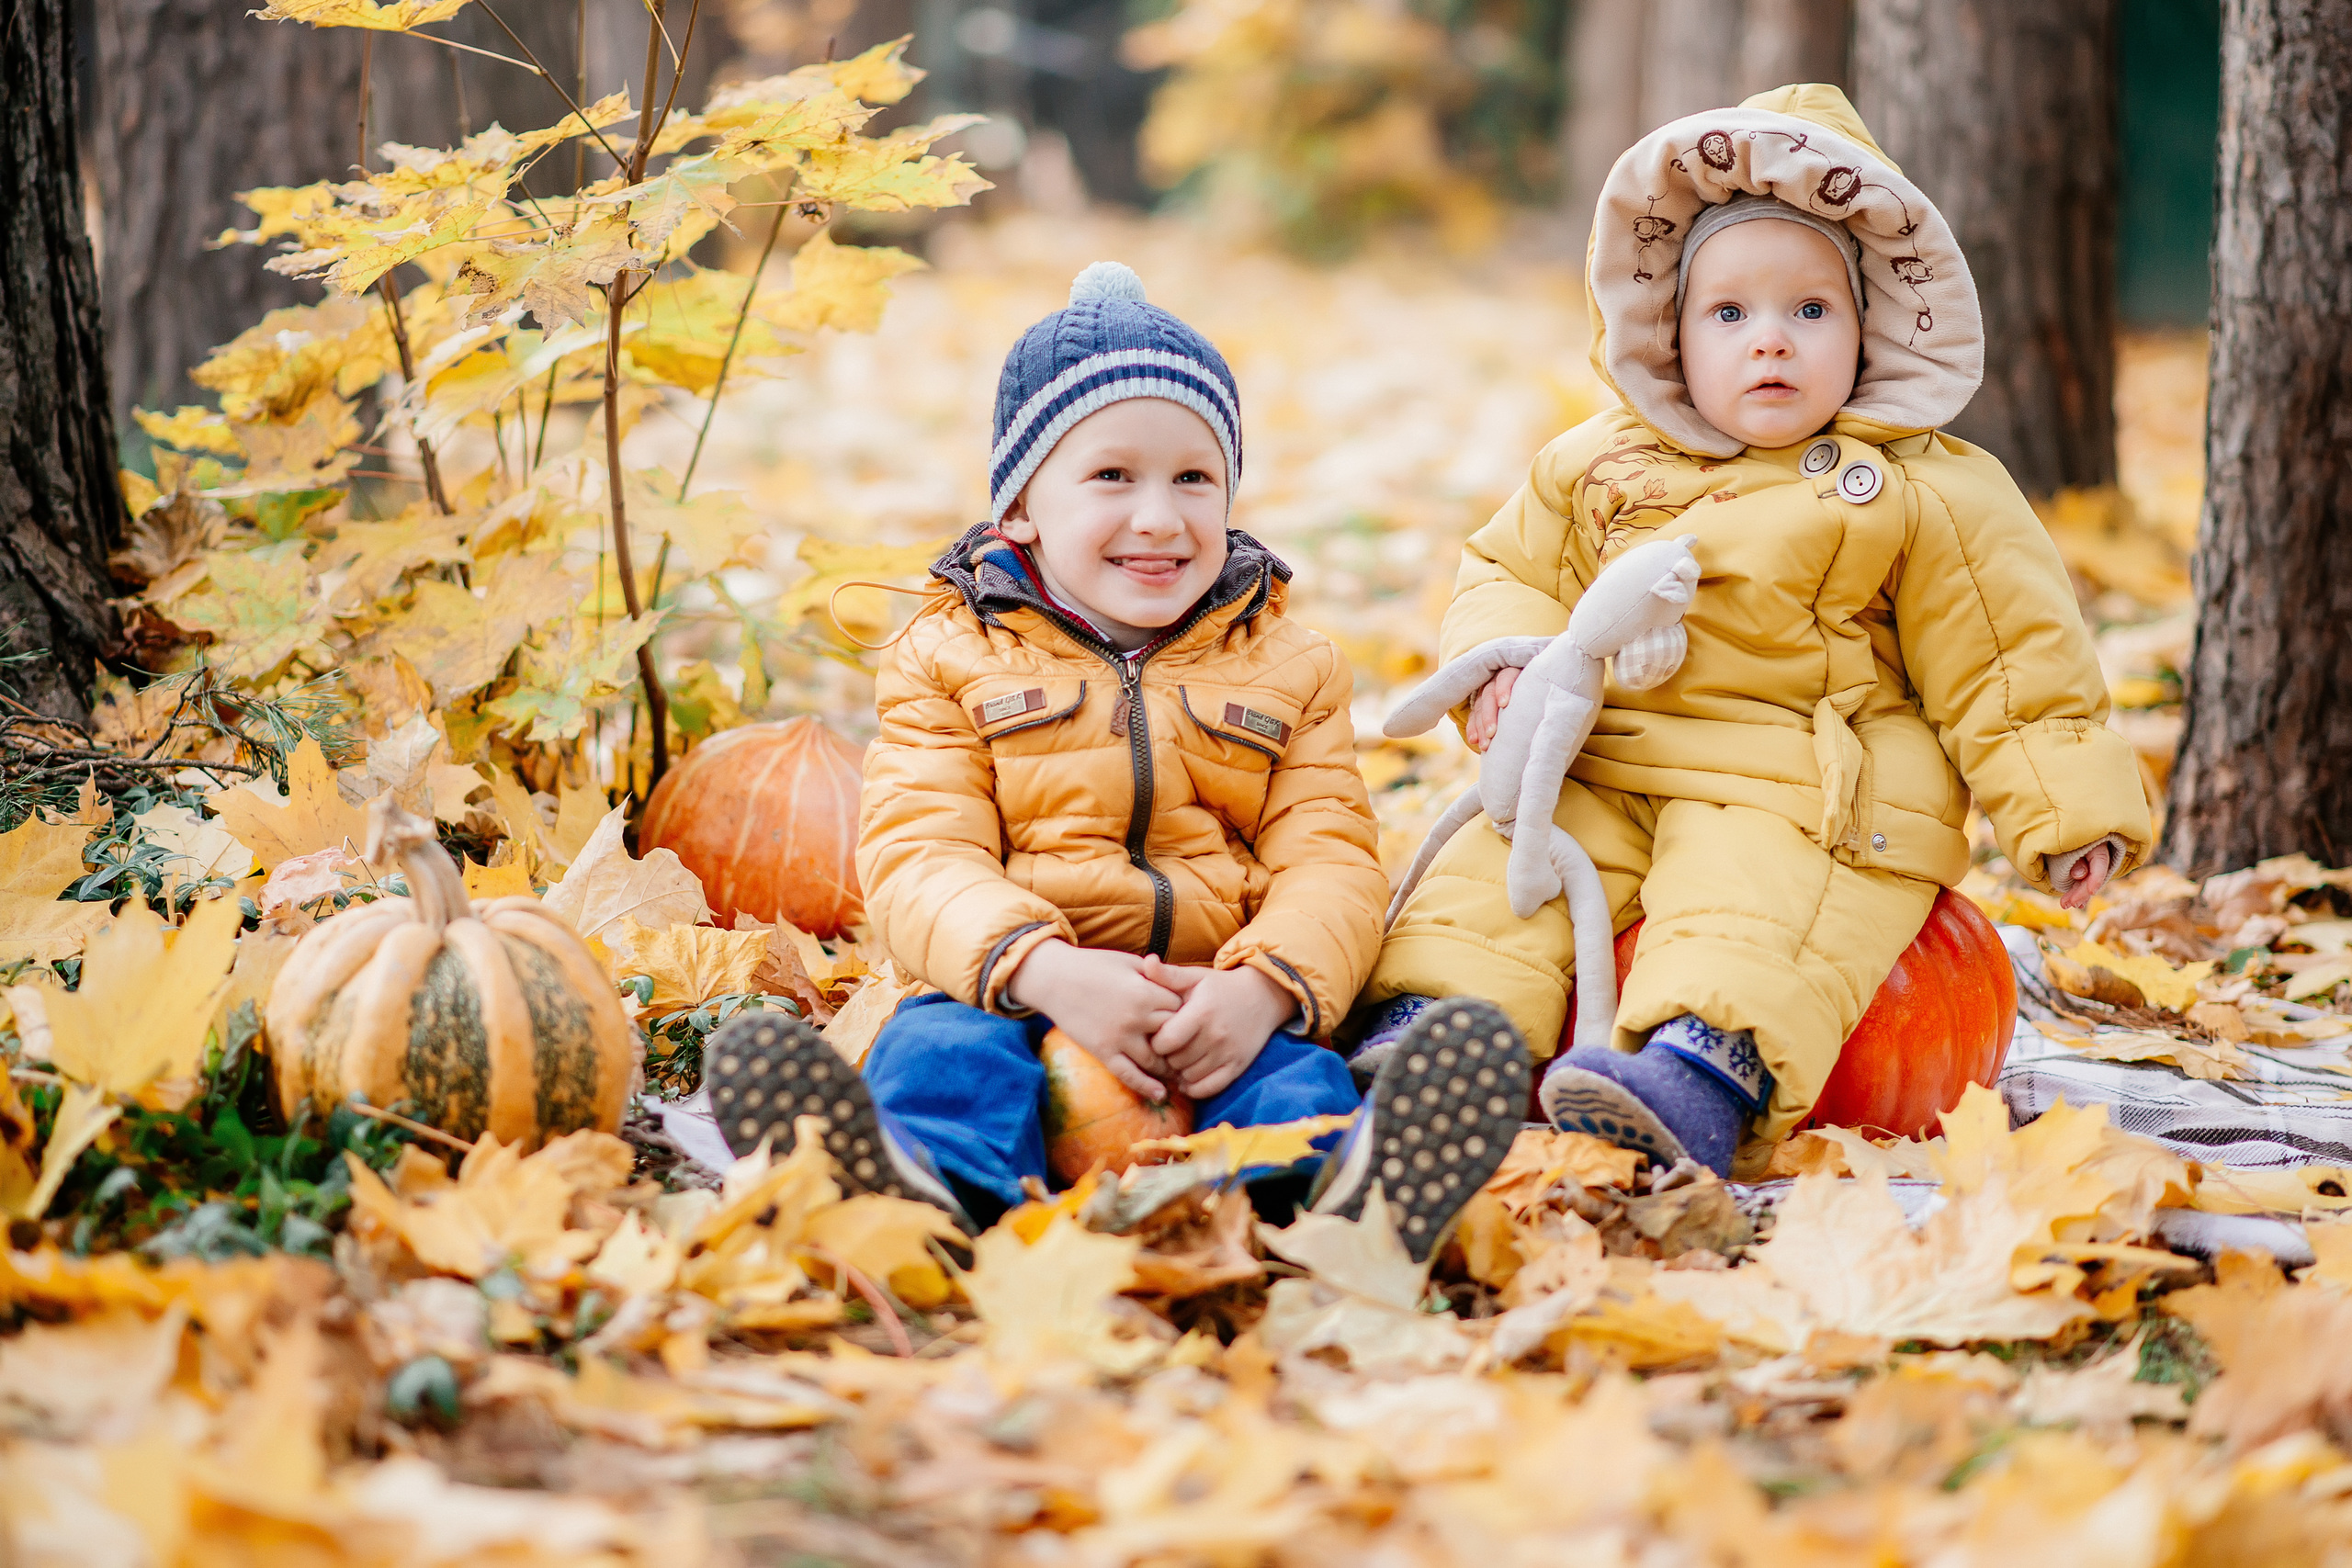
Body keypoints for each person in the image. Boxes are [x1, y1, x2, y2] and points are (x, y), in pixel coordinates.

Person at [1356, 85, 2151, 1179]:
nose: (1769, 345)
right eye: (1729, 316)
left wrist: (2066, 810)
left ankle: (1698, 1076)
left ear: (1867, 320)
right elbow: (1509, 568)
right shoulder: (1598, 461)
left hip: (1800, 777)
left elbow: (2010, 662)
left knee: (1761, 898)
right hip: (1610, 750)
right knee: (1510, 864)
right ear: (1669, 332)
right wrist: (1504, 664)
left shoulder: (1927, 489)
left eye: (1808, 313)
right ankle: (1431, 1036)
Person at [703, 262, 1531, 1254]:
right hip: (1014, 981)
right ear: (1019, 509)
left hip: (1210, 996)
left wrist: (1261, 989)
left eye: (1193, 478)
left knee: (1293, 1082)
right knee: (942, 1056)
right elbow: (919, 858)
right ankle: (918, 1191)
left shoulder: (1290, 666)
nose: (1158, 516)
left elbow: (1334, 864)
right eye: (1110, 476)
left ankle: (1345, 1203)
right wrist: (1045, 971)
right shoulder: (949, 658)